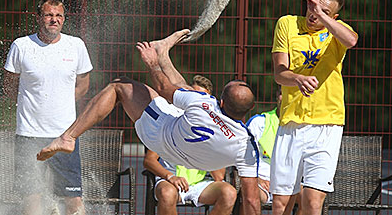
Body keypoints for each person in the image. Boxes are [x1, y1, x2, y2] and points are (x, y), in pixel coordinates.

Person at [37, 29, 262, 215]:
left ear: (221, 101)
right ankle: (164, 52)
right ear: (249, 109)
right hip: (184, 149)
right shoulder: (247, 146)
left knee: (119, 86)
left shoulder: (205, 104)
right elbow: (252, 201)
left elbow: (164, 89)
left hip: (160, 135)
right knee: (184, 97)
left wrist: (153, 64)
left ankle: (68, 137)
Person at [270, 0, 358, 215]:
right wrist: (297, 78)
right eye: (312, 4)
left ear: (333, 16)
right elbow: (279, 74)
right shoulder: (287, 24)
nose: (314, 12)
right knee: (281, 203)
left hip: (326, 125)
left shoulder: (337, 31)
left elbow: (351, 40)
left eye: (323, 9)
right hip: (291, 123)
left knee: (312, 200)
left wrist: (323, 15)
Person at [4, 0, 93, 215]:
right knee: (31, 198)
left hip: (64, 135)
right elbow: (9, 85)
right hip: (29, 134)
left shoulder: (75, 45)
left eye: (59, 16)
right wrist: (32, 104)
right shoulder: (22, 45)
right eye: (49, 15)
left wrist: (60, 101)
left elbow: (83, 84)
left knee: (73, 198)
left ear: (63, 20)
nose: (54, 20)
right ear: (39, 18)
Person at [144, 75, 237, 215]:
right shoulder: (172, 119)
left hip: (198, 184)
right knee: (167, 193)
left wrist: (210, 143)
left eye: (203, 98)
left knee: (229, 193)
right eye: (195, 96)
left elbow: (219, 176)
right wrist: (170, 177)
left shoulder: (213, 129)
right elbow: (149, 161)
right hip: (171, 181)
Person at [246, 87, 301, 215]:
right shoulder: (260, 121)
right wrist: (256, 178)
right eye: (283, 93)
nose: (286, 97)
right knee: (250, 192)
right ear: (278, 96)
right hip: (261, 181)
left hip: (290, 182)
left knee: (308, 198)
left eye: (291, 94)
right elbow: (241, 154)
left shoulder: (303, 127)